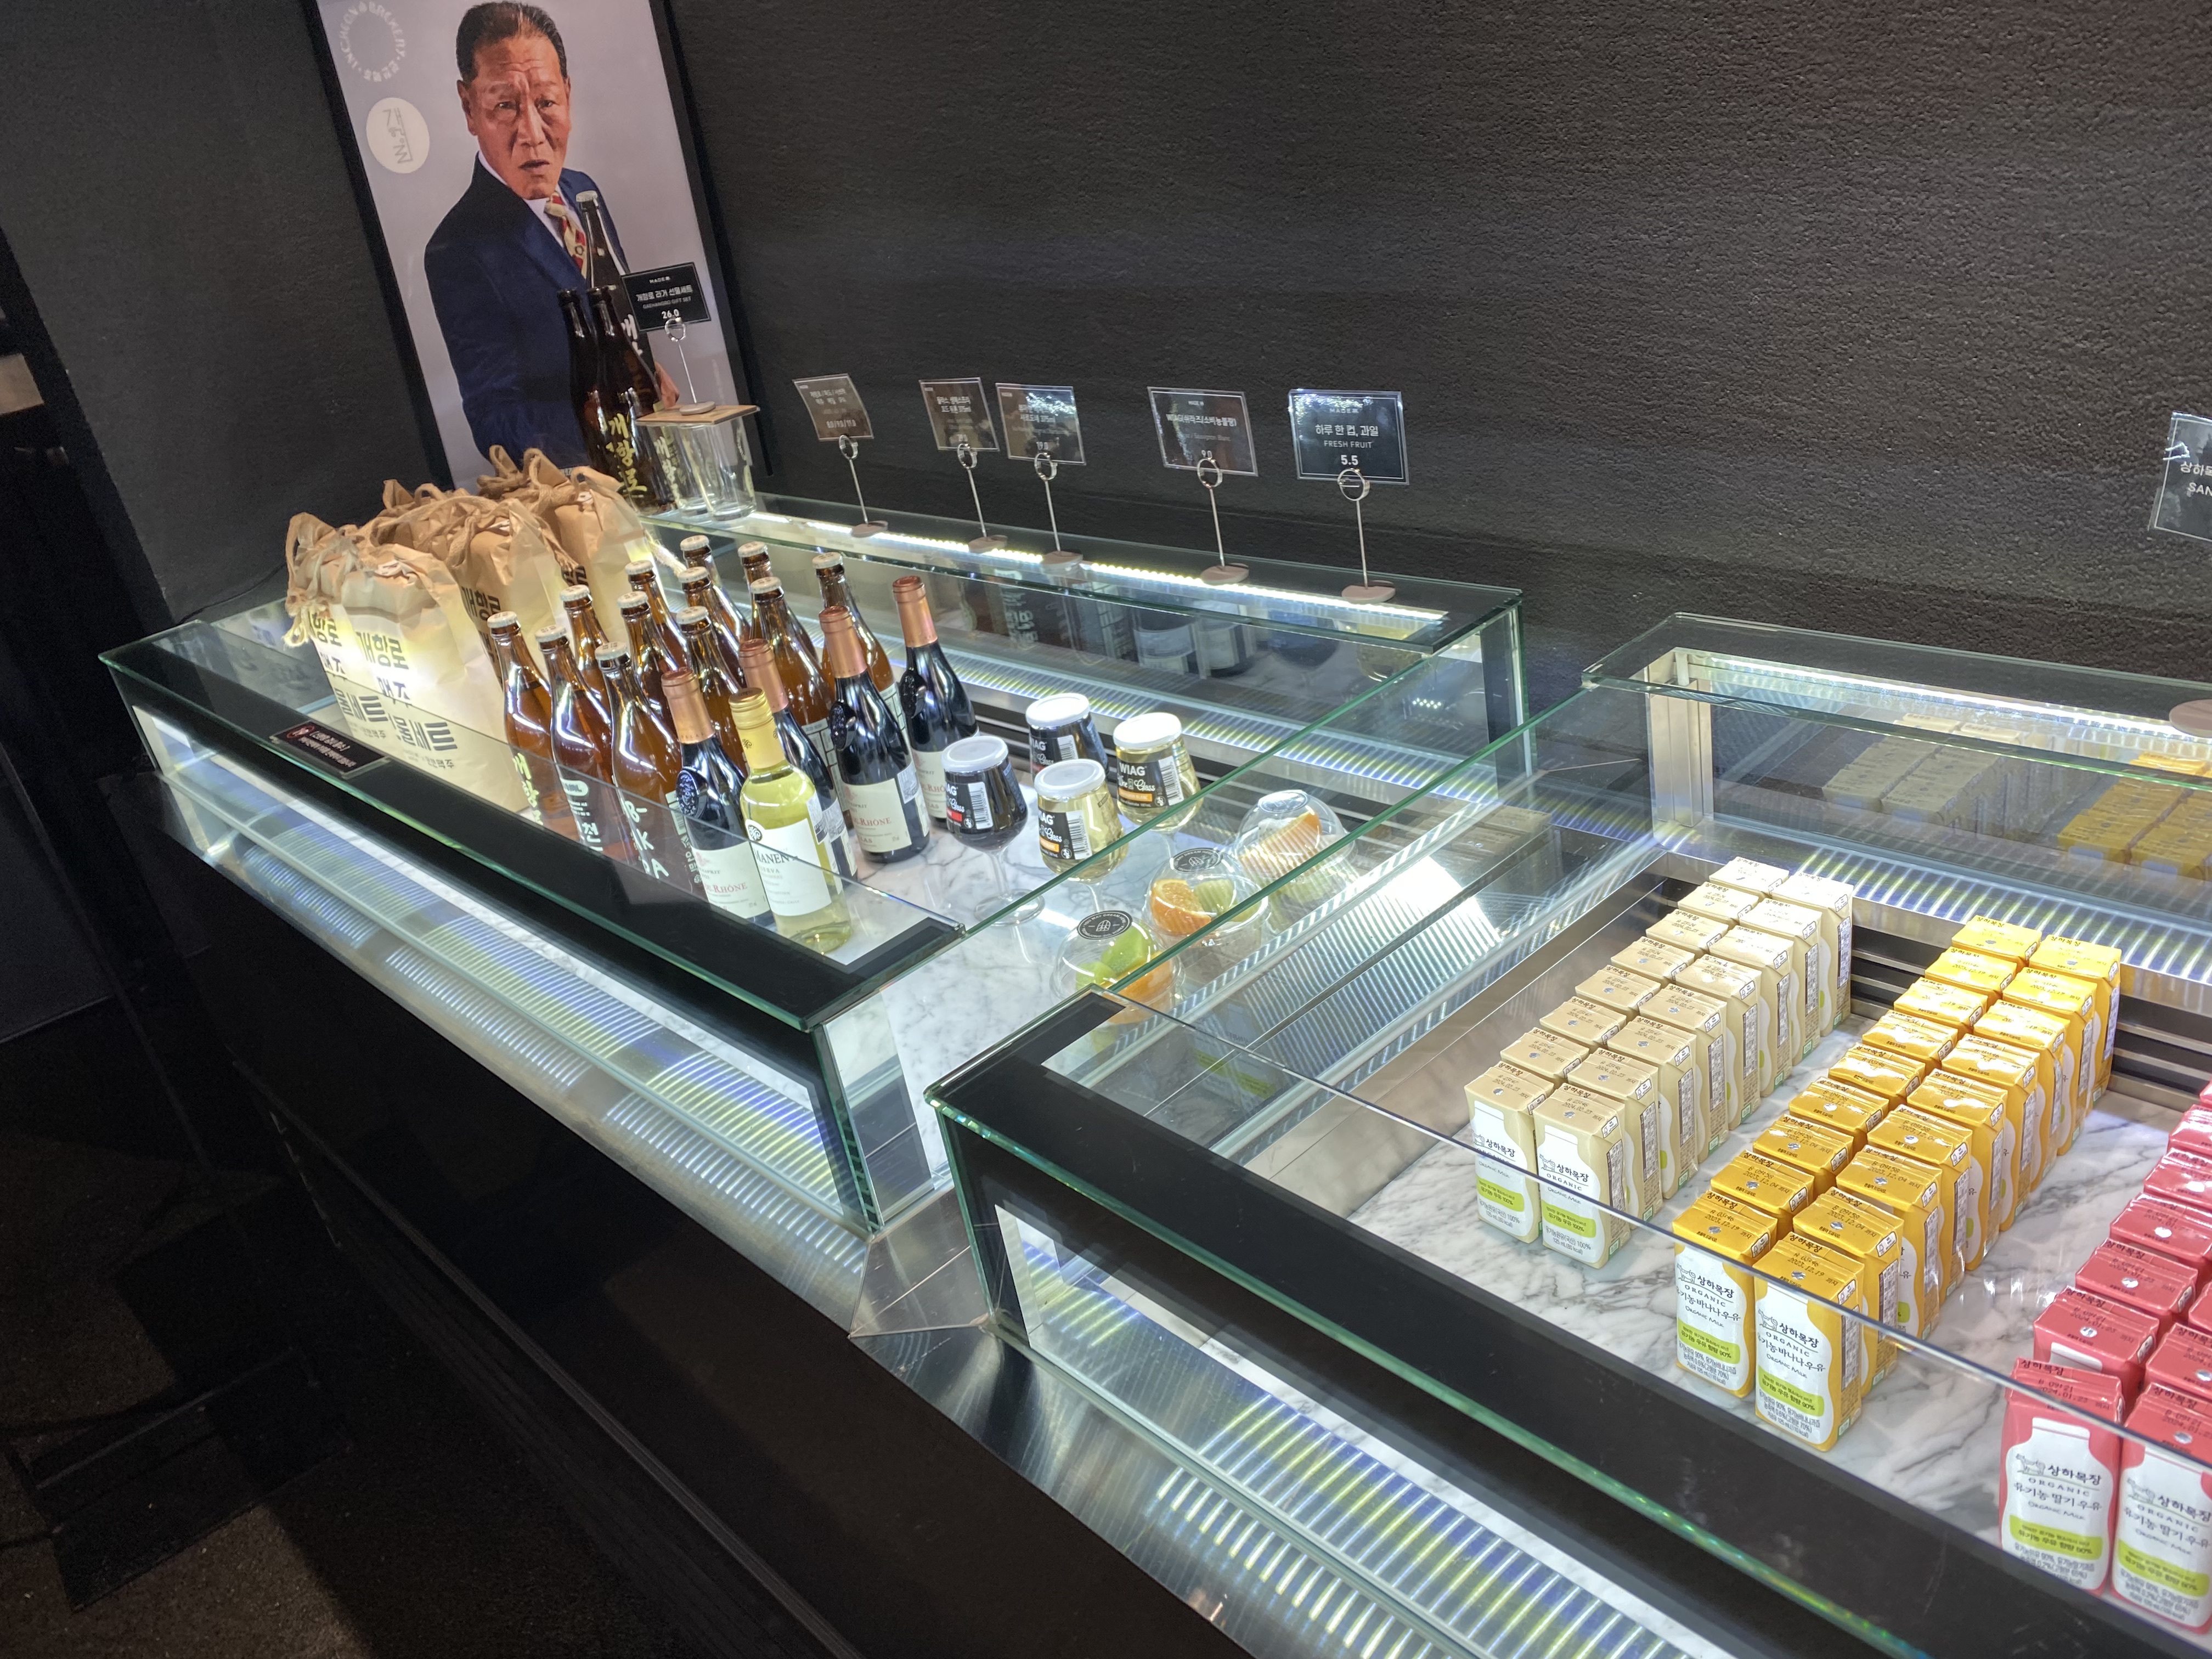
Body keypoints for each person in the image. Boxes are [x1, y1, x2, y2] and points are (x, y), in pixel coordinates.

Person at [425, 4, 661, 467]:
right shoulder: (457, 250)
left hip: (658, 458)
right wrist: (617, 430)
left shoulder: (583, 190)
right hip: (587, 484)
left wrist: (649, 379)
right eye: (505, 106)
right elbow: (496, 420)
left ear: (568, 94)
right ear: (469, 108)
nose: (532, 133)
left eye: (547, 102)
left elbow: (614, 325)